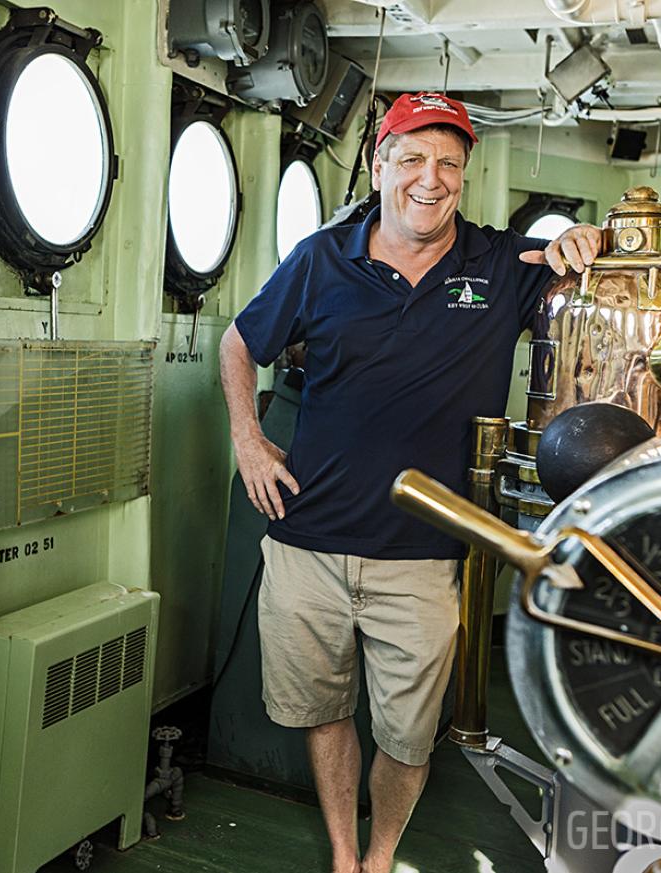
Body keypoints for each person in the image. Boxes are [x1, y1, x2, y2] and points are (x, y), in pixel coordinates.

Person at [218, 92, 602, 873]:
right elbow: (237, 341)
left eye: (450, 165)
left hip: (426, 555)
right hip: (308, 542)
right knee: (323, 714)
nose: (431, 179)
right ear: (380, 164)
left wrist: (595, 244)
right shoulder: (322, 259)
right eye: (414, 159)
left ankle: (383, 854)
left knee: (408, 734)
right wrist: (248, 441)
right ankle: (342, 854)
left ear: (465, 175)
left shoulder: (503, 264)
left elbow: (585, 291)